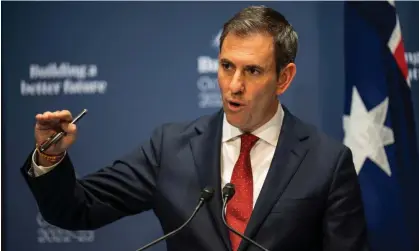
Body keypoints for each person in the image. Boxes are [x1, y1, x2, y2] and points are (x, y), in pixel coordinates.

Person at [21, 5, 369, 251]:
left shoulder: (326, 161)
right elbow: (76, 209)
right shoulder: (170, 148)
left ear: (284, 78)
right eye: (226, 66)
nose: (233, 85)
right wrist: (50, 156)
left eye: (252, 71)